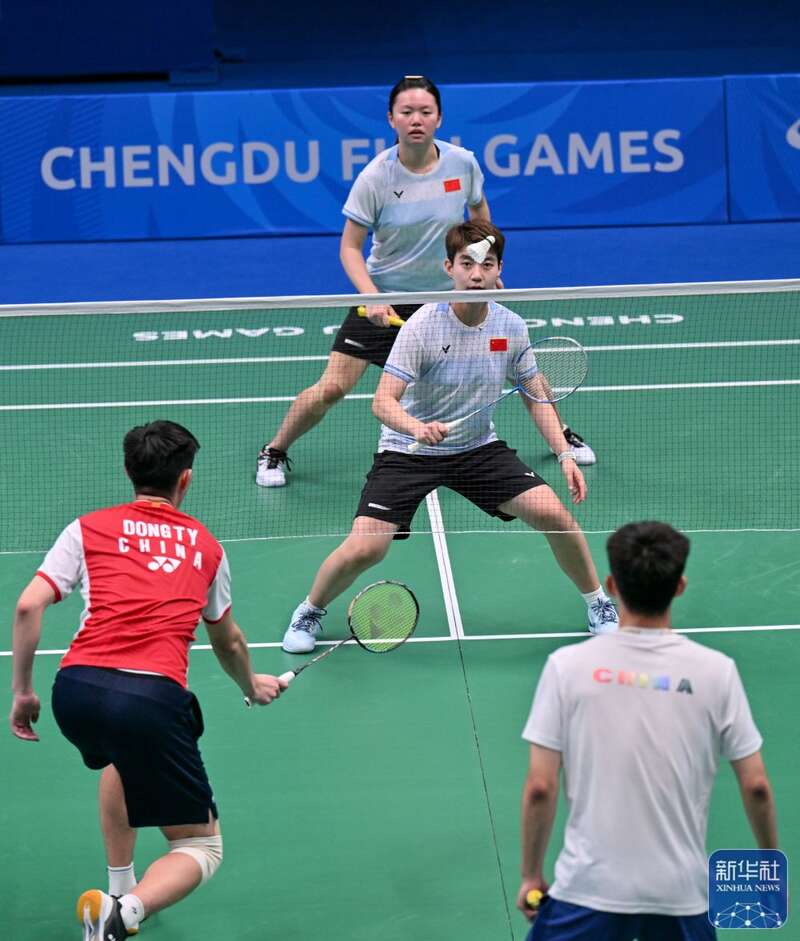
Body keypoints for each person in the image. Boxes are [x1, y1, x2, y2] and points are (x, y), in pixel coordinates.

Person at [281, 220, 617, 653]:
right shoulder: (422, 325)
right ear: (449, 267)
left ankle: (598, 603)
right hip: (408, 451)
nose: (477, 275)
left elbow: (534, 395)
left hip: (477, 449)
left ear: (499, 271)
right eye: (467, 264)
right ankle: (310, 610)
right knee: (367, 548)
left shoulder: (511, 326)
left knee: (555, 515)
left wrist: (564, 453)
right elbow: (382, 402)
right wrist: (416, 428)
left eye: (487, 265)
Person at [8, 420, 288, 941]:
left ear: (127, 471)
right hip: (149, 698)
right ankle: (124, 913)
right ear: (186, 479)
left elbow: (28, 605)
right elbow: (227, 641)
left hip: (76, 690)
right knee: (201, 846)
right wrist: (251, 685)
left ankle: (118, 889)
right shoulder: (207, 547)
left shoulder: (86, 528)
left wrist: (23, 692)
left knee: (122, 758)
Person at [256, 75, 594, 488]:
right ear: (391, 119)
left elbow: (480, 216)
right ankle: (274, 449)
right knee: (332, 387)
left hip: (449, 296)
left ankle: (561, 437)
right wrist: (372, 297)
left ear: (439, 118)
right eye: (406, 112)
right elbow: (349, 247)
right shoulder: (376, 177)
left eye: (425, 111)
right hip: (387, 298)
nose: (416, 119)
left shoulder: (462, 163)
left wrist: (484, 267)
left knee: (524, 372)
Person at [518, 520, 778, 941]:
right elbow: (757, 786)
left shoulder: (566, 667)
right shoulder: (717, 672)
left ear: (611, 586)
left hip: (589, 889)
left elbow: (540, 788)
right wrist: (768, 864)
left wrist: (531, 874)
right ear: (680, 587)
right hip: (682, 896)